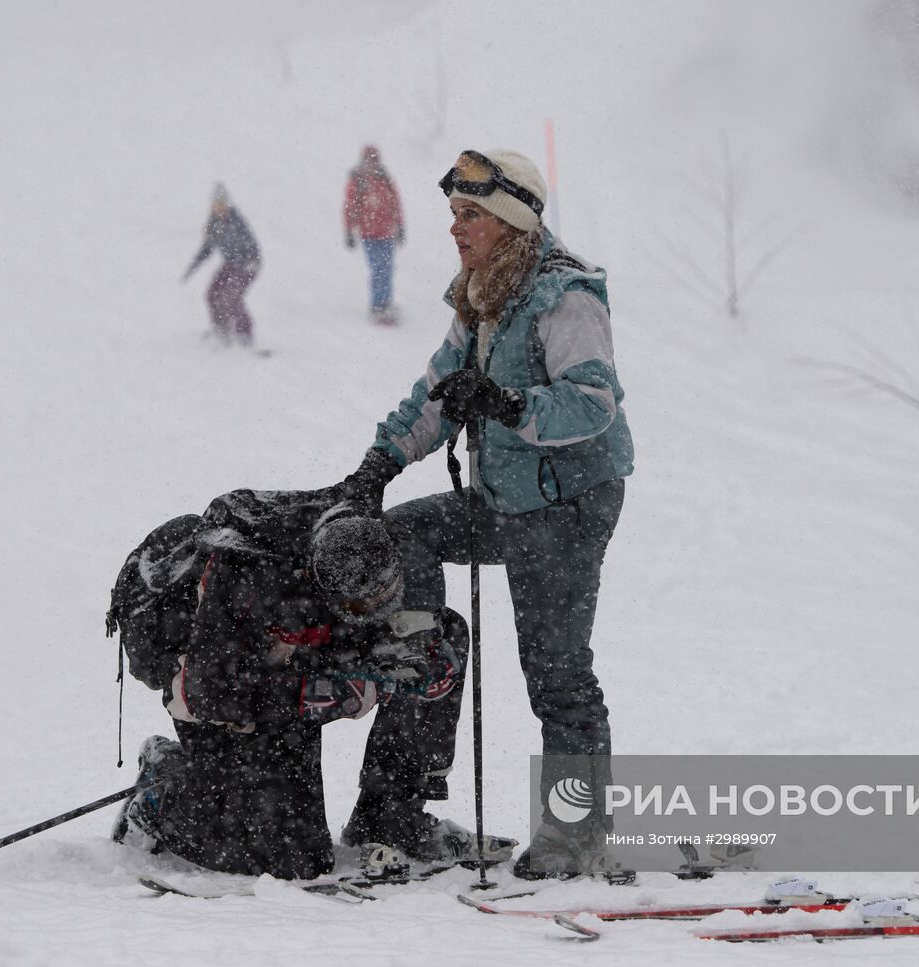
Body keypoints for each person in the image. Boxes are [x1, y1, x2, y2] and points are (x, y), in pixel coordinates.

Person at [338, 149, 634, 880]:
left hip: (566, 501)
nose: (455, 228)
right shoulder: (483, 295)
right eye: (453, 214)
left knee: (556, 668)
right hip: (506, 495)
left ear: (509, 222)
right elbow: (437, 389)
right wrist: (378, 465)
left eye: (470, 215)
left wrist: (505, 405)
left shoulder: (564, 295)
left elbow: (593, 405)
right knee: (403, 532)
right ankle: (409, 741)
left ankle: (577, 833)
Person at [112, 488, 514, 880]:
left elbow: (401, 625)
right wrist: (326, 695)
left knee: (438, 640)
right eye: (362, 608)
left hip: (290, 658)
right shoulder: (243, 581)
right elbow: (205, 696)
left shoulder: (362, 540)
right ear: (319, 581)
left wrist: (423, 660)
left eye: (388, 595)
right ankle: (162, 795)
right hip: (215, 686)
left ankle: (390, 818)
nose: (379, 612)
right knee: (295, 862)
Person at [182, 183, 262, 346]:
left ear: (228, 204)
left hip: (247, 265)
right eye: (217, 205)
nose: (220, 208)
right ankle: (221, 329)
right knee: (212, 294)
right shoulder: (213, 223)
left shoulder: (237, 221)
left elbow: (251, 245)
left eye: (223, 204)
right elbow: (207, 249)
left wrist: (251, 262)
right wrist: (193, 267)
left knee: (231, 297)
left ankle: (244, 334)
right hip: (231, 264)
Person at [343, 146, 405, 325]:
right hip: (368, 234)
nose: (372, 163)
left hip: (387, 233)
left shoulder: (385, 180)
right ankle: (378, 306)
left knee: (387, 269)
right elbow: (350, 207)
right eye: (369, 159)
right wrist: (349, 230)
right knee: (378, 269)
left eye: (374, 159)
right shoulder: (358, 182)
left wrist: (400, 226)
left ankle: (386, 303)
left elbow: (396, 204)